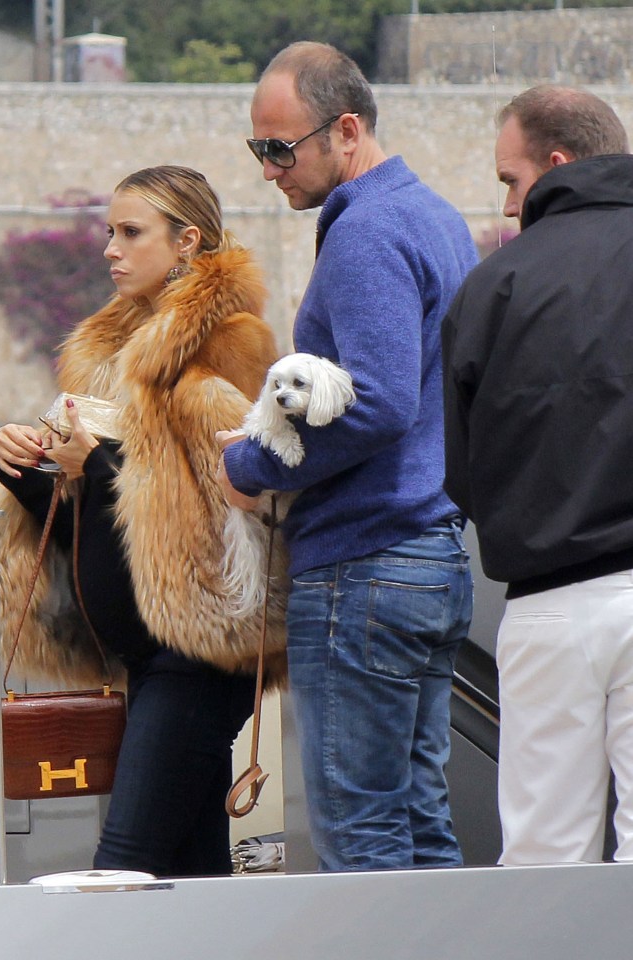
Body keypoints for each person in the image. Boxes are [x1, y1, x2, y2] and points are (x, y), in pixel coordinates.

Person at [217, 41, 479, 872]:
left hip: (364, 568)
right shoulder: (432, 216)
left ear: (347, 130)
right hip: (430, 559)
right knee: (422, 828)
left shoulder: (365, 232)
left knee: (360, 841)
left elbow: (378, 406)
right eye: (257, 149)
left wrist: (250, 467)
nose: (266, 169)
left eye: (279, 148)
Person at [0, 165, 287, 878]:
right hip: (142, 660)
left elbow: (235, 507)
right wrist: (25, 470)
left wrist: (93, 465)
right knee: (188, 874)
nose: (110, 250)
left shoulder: (230, 344)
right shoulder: (101, 356)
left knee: (122, 865)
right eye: (109, 233)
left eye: (130, 233)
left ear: (186, 242)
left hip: (199, 654)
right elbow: (90, 522)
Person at [441, 85, 633, 865]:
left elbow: (455, 471)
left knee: (541, 863)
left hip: (544, 603)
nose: (509, 204)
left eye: (508, 181)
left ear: (554, 165)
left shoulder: (496, 282)